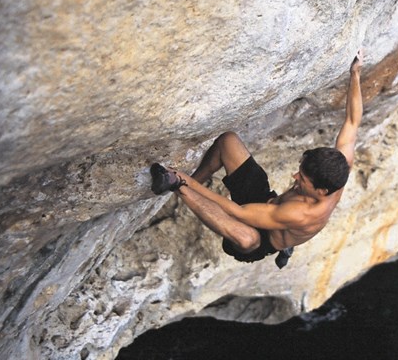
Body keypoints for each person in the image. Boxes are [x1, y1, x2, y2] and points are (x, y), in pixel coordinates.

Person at [150, 50, 363, 268]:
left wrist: (186, 181)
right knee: (228, 141)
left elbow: (237, 212)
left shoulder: (302, 213)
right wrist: (355, 74)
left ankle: (178, 185)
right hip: (267, 203)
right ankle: (195, 180)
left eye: (303, 178)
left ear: (321, 191)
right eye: (300, 171)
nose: (295, 176)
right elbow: (352, 122)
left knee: (246, 238)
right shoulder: (338, 169)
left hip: (263, 238)